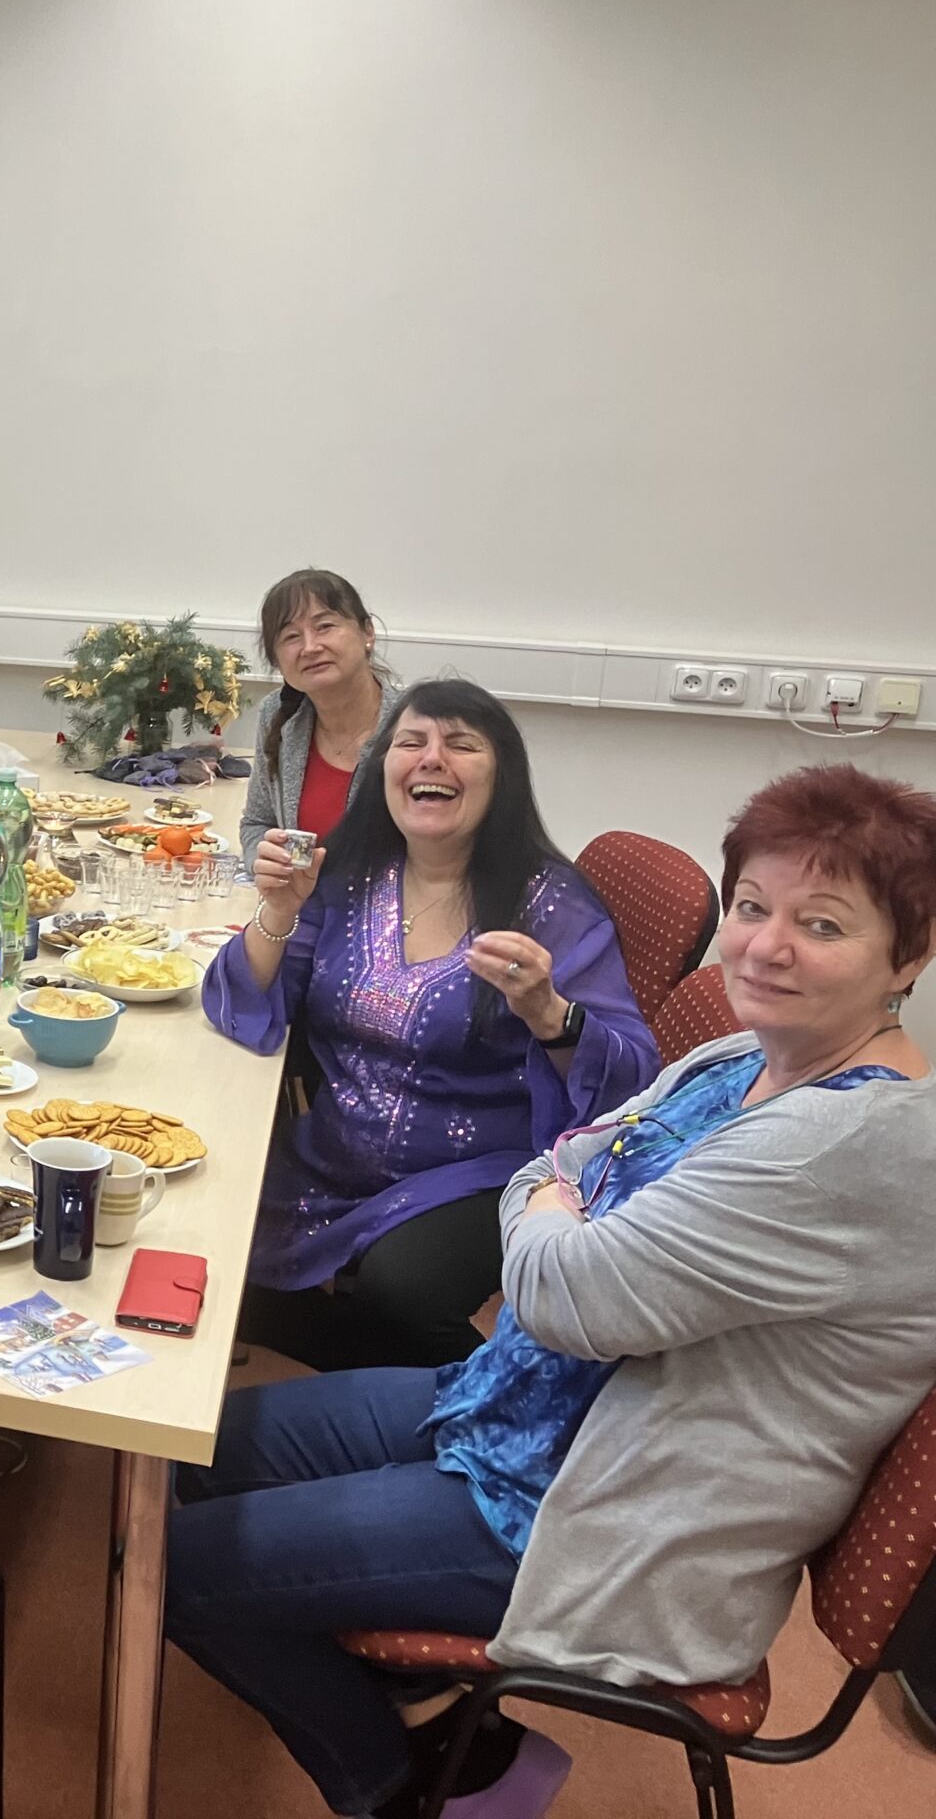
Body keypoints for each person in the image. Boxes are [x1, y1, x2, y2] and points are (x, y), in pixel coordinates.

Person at [167, 763, 936, 1819]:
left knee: (170, 1565)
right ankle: (425, 1703)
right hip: (520, 1407)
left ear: (909, 956)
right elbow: (564, 1155)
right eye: (753, 906)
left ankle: (414, 1783)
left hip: (610, 1517)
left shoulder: (846, 1143)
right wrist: (560, 1197)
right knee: (184, 1458)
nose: (765, 945)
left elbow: (564, 1296)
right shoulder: (741, 1057)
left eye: (823, 925)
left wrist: (557, 1201)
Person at [205, 680, 656, 1370]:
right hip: (338, 1149)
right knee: (206, 1222)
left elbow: (634, 1080)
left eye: (461, 745)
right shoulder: (352, 876)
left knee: (402, 1286)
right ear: (383, 768)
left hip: (473, 1168)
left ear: (502, 778)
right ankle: (358, 1373)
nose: (431, 759)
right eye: (410, 742)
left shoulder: (552, 906)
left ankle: (486, 1393)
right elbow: (248, 998)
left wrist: (549, 1013)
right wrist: (279, 910)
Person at [239, 569, 404, 863]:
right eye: (291, 636)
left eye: (325, 626)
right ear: (276, 659)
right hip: (300, 894)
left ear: (367, 633)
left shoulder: (414, 723)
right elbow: (257, 824)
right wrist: (269, 864)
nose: (310, 647)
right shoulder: (277, 715)